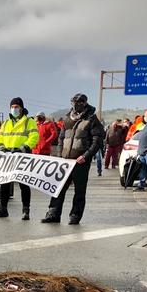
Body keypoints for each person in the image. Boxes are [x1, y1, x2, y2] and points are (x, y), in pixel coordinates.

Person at [41, 93, 105, 225]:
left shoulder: (92, 119)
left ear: (85, 103)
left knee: (79, 191)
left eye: (80, 102)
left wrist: (85, 156)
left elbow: (97, 140)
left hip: (80, 161)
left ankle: (75, 215)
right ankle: (53, 213)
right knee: (58, 187)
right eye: (74, 102)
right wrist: (59, 155)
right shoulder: (67, 119)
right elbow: (61, 138)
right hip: (65, 161)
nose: (76, 105)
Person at [0, 98, 39, 221]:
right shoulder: (6, 122)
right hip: (7, 157)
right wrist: (0, 147)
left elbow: (34, 137)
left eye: (16, 106)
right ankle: (3, 209)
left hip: (22, 156)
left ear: (22, 108)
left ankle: (26, 210)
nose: (14, 109)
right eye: (12, 106)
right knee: (5, 183)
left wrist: (23, 148)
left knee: (24, 184)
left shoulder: (29, 121)